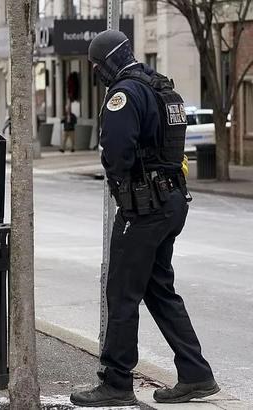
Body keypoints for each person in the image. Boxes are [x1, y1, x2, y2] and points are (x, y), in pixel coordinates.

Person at [70, 30, 219, 407]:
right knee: (158, 289)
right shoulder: (161, 86)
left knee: (121, 293)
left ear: (109, 61)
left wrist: (123, 187)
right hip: (170, 201)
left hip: (144, 207)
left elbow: (117, 150)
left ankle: (116, 383)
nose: (97, 72)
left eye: (97, 65)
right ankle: (196, 374)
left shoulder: (125, 93)